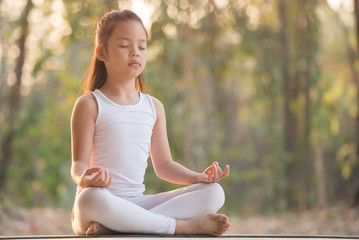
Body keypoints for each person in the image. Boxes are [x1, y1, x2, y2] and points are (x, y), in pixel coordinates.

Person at [70, 9, 231, 237]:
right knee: (89, 198)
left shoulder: (153, 107)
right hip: (99, 205)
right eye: (125, 46)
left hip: (139, 205)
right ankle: (181, 227)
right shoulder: (90, 104)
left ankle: (120, 227)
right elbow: (78, 164)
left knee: (214, 192)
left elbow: (164, 165)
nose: (135, 52)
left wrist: (198, 177)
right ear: (101, 53)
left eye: (142, 46)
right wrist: (84, 177)